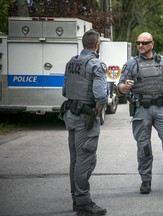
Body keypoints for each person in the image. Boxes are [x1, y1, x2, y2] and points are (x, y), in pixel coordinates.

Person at [118, 32, 163, 195]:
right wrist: (125, 86)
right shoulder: (131, 64)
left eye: (144, 43)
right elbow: (119, 87)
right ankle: (146, 181)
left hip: (161, 107)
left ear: (152, 44)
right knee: (144, 146)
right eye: (138, 43)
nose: (141, 46)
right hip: (141, 109)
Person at [60, 29, 108, 216]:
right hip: (84, 117)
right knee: (86, 158)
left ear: (83, 44)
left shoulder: (71, 62)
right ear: (97, 45)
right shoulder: (95, 64)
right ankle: (83, 201)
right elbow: (101, 96)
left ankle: (76, 198)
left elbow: (65, 91)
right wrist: (97, 113)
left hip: (70, 114)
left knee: (75, 159)